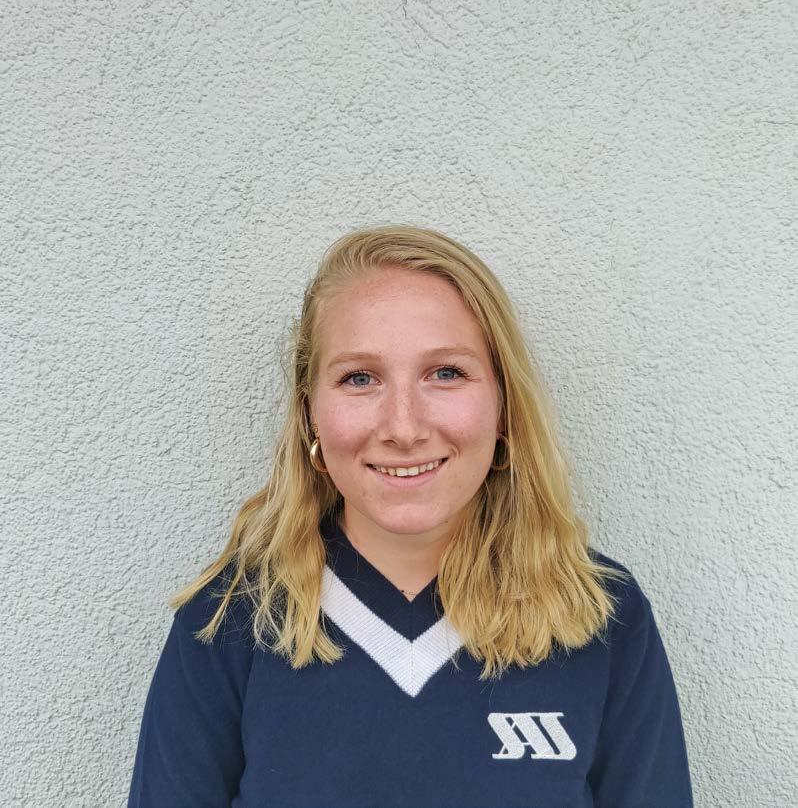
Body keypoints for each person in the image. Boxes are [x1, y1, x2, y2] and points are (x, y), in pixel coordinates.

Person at [127, 225, 694, 807]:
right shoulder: (227, 623)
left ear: (503, 405)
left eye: (446, 373)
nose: (403, 427)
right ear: (309, 415)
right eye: (360, 378)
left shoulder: (600, 616)